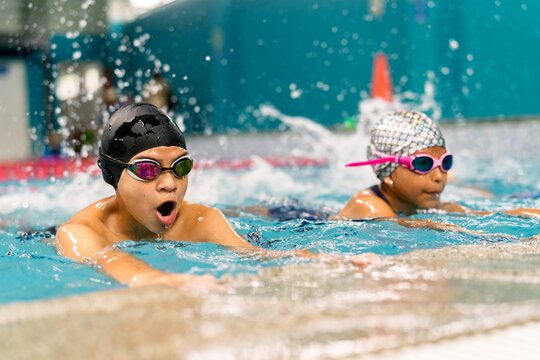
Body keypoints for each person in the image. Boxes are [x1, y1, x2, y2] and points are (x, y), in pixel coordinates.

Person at [56, 103, 375, 288]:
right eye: (149, 170)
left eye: (180, 168)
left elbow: (255, 254)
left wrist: (331, 261)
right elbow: (111, 260)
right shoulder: (79, 232)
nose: (169, 185)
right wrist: (171, 282)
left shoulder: (199, 219)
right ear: (112, 174)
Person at [340, 110, 539, 230]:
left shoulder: (424, 203)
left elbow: (488, 214)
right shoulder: (367, 205)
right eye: (424, 164)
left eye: (444, 163)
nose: (438, 177)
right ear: (388, 171)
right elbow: (421, 229)